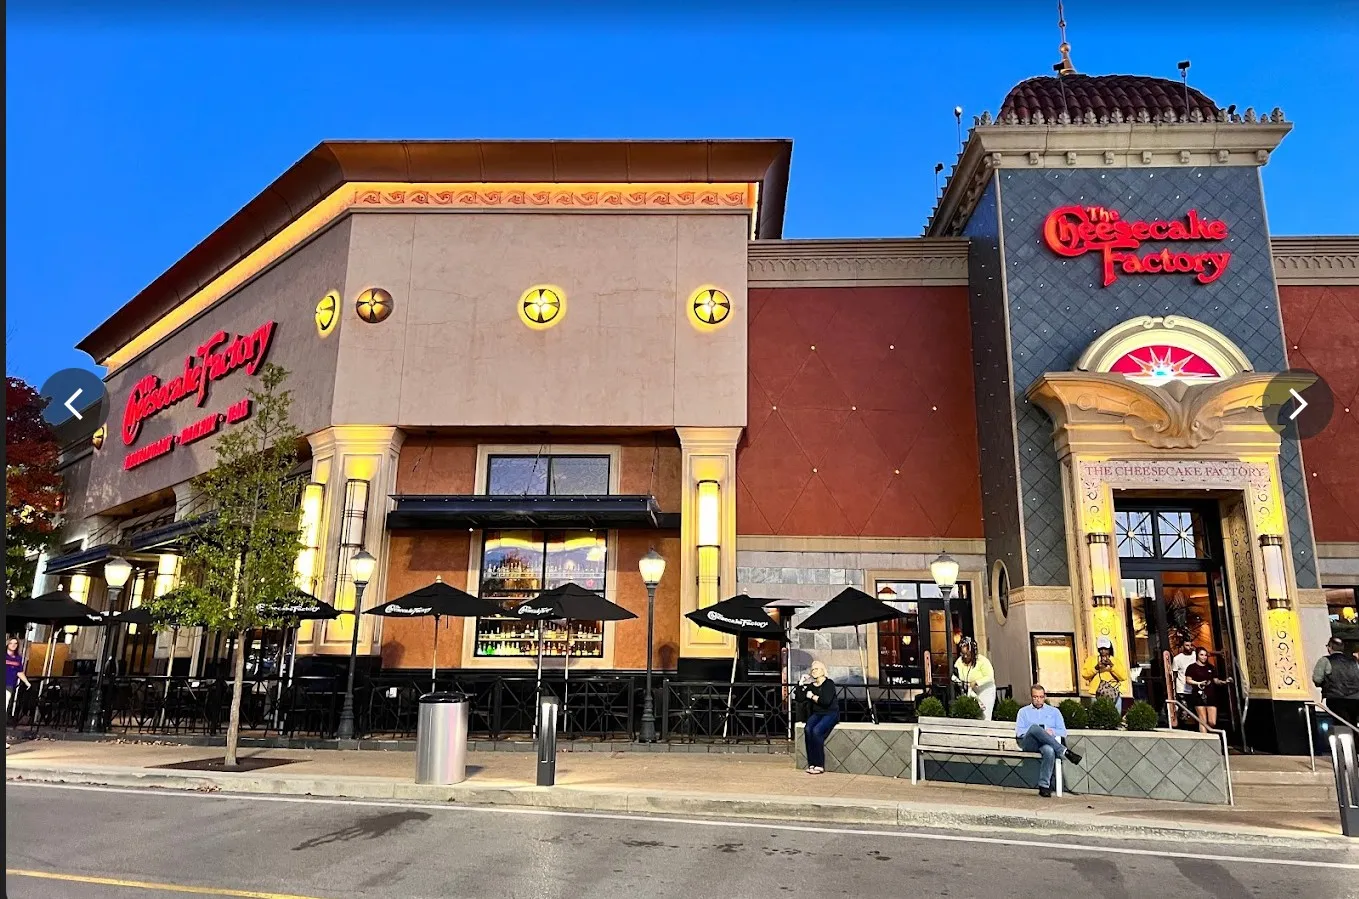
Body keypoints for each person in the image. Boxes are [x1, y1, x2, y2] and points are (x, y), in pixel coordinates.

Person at [1014, 684, 1081, 797]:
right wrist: (1039, 731)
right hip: (1030, 743)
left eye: (1041, 697)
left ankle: (1044, 786)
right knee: (1035, 728)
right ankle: (1064, 751)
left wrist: (1051, 732)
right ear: (1031, 697)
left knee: (1049, 751)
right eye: (1035, 697)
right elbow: (1019, 732)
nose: (1038, 699)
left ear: (1044, 697)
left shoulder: (1054, 712)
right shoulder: (1023, 712)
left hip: (1046, 744)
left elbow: (1063, 732)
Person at [798, 660, 838, 775]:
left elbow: (826, 701)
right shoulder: (811, 686)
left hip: (830, 713)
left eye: (816, 669)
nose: (814, 671)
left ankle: (819, 764)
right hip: (817, 713)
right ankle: (811, 763)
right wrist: (801, 683)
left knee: (817, 731)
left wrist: (812, 697)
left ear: (823, 671)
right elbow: (800, 698)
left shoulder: (829, 683)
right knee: (808, 729)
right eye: (812, 670)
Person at [1312, 636, 1359, 730]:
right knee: (1353, 724)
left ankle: (1343, 739)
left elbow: (1317, 679)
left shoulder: (1325, 660)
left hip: (1335, 698)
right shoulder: (1353, 662)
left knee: (1340, 725)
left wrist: (1324, 685)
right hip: (1355, 699)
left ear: (1330, 648)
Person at [1184, 648, 1232, 733]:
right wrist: (1199, 683)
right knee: (1203, 720)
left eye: (1205, 655)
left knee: (1212, 722)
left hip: (1211, 695)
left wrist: (1224, 682)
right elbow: (1188, 680)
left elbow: (1216, 680)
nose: (1204, 657)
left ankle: (1209, 734)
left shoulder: (1210, 667)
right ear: (1197, 655)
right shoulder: (1192, 667)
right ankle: (1205, 738)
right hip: (1198, 695)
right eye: (1201, 655)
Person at [953, 638, 997, 720]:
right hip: (971, 691)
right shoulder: (959, 662)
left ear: (973, 652)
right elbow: (955, 674)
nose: (965, 657)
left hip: (985, 690)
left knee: (984, 716)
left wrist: (977, 682)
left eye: (968, 654)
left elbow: (990, 677)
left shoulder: (982, 661)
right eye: (963, 654)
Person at [1081, 636, 1129, 701]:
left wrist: (1112, 666)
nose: (1103, 651)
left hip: (1113, 693)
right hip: (1095, 694)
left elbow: (1123, 677)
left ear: (1109, 649)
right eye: (1101, 649)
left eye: (1105, 649)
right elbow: (1084, 675)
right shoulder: (1091, 660)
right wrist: (1096, 668)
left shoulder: (1115, 661)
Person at [6, 635, 32, 746]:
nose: (13, 645)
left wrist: (26, 682)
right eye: (11, 643)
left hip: (9, 685)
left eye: (15, 643)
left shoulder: (18, 658)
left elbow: (19, 672)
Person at [1169, 640, 1197, 728]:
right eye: (1187, 645)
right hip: (1182, 689)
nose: (1189, 647)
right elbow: (1174, 674)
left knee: (1194, 709)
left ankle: (1194, 727)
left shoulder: (1195, 655)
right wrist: (1172, 689)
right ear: (1182, 647)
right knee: (1184, 710)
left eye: (1191, 645)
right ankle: (1184, 727)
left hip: (1195, 688)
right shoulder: (1177, 659)